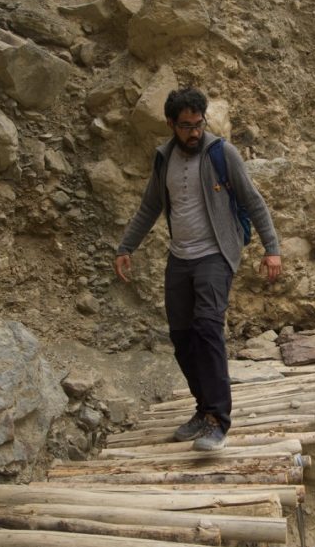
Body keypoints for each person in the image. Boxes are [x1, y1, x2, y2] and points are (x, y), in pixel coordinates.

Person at [114, 87, 282, 451]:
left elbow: (254, 201)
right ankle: (202, 409)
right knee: (182, 337)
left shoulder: (222, 154)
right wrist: (126, 247)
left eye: (198, 124)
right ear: (171, 124)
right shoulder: (164, 159)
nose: (193, 132)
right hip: (180, 257)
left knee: (207, 328)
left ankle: (218, 421)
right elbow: (149, 207)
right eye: (186, 125)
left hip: (216, 254)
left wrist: (272, 249)